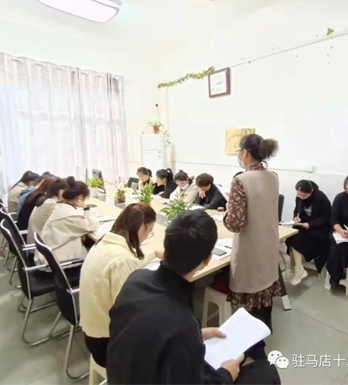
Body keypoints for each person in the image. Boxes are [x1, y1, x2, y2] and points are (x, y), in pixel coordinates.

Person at [107, 211, 280, 384]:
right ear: (207, 259)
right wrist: (226, 375)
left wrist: (196, 335)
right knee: (266, 372)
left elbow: (152, 333)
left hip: (125, 375)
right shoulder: (182, 323)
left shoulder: (136, 279)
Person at [224, 133, 280, 361]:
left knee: (251, 292)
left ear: (245, 153)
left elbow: (235, 223)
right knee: (264, 291)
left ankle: (253, 347)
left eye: (239, 151)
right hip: (269, 243)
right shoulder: (273, 177)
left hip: (251, 246)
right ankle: (263, 332)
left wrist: (227, 213)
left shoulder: (241, 180)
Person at [80, 203, 157, 368]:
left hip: (93, 332)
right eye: (149, 231)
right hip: (107, 344)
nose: (147, 236)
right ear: (142, 227)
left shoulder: (105, 242)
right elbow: (129, 313)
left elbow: (129, 264)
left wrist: (154, 254)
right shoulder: (122, 260)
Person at [38, 177, 99, 264]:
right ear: (80, 197)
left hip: (52, 253)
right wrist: (85, 208)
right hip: (59, 261)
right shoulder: (71, 216)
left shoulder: (59, 207)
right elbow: (93, 225)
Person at [285, 180, 332, 286]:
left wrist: (310, 224)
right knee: (292, 235)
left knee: (297, 237)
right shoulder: (299, 197)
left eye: (304, 195)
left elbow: (325, 218)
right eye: (299, 195)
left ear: (311, 192)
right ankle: (299, 268)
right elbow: (296, 211)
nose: (301, 197)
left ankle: (299, 269)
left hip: (319, 229)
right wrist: (296, 218)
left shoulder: (321, 198)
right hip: (304, 226)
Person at [27, 177, 68, 245]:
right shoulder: (51, 204)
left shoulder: (45, 200)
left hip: (37, 242)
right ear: (61, 192)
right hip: (41, 245)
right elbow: (62, 223)